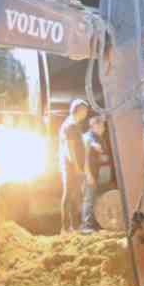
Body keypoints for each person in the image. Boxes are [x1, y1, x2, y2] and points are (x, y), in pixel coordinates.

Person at [58, 99, 94, 234]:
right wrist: (77, 167)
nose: (86, 113)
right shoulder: (70, 125)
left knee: (72, 195)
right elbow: (70, 148)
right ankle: (66, 228)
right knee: (69, 195)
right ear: (78, 110)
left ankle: (71, 227)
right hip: (71, 167)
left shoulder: (72, 124)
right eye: (85, 110)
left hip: (72, 166)